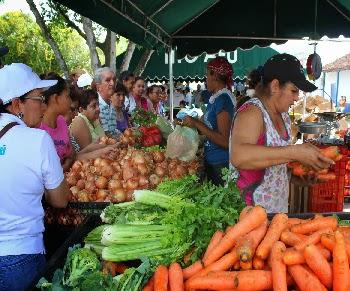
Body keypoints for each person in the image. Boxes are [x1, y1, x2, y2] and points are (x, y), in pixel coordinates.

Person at [230, 53, 334, 213]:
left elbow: (276, 165)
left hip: (276, 215)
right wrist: (295, 152)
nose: (297, 97)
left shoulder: (284, 117)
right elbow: (239, 156)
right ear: (275, 86)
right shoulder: (252, 112)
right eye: (293, 90)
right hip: (247, 216)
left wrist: (298, 178)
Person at [0, 63, 69, 290]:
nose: (42, 106)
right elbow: (60, 200)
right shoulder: (37, 140)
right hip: (21, 258)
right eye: (39, 98)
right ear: (17, 104)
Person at [181, 57, 236, 185]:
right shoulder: (216, 98)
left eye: (207, 75)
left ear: (214, 75)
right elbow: (211, 127)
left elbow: (225, 141)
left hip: (221, 164)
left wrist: (197, 123)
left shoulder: (223, 99)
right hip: (212, 160)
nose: (206, 79)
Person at [39, 73, 75, 172]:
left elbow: (72, 155)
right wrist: (65, 166)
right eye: (67, 96)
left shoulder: (62, 121)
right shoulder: (38, 130)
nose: (70, 101)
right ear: (55, 98)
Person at [94, 67, 120, 138]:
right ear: (98, 86)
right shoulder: (95, 106)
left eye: (114, 79)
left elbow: (113, 131)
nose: (112, 83)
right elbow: (104, 137)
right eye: (108, 80)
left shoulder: (111, 104)